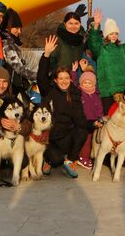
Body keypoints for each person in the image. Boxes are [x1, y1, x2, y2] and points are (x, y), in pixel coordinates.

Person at [38, 35, 88, 178]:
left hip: (66, 135)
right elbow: (41, 77)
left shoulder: (74, 93)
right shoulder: (49, 91)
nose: (64, 81)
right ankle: (48, 160)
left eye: (67, 78)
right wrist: (46, 55)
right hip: (50, 136)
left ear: (70, 79)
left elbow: (79, 117)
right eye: (61, 78)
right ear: (55, 80)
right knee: (55, 160)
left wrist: (90, 124)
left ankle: (70, 161)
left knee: (82, 131)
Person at [70, 60, 103, 170]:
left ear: (93, 84)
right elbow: (73, 83)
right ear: (81, 83)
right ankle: (83, 158)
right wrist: (74, 71)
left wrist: (100, 118)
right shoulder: (80, 92)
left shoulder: (96, 94)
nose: (87, 85)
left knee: (93, 140)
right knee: (86, 140)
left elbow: (99, 108)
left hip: (94, 121)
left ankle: (90, 156)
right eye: (85, 83)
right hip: (83, 121)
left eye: (89, 83)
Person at [1, 8, 38, 97]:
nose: (20, 31)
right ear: (8, 26)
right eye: (16, 28)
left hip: (14, 86)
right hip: (11, 88)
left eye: (20, 28)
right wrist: (38, 76)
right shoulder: (7, 44)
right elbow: (18, 68)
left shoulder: (12, 43)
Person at [50, 6, 88, 71]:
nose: (73, 26)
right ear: (65, 24)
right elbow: (51, 62)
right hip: (62, 78)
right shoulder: (58, 40)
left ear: (80, 24)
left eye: (76, 23)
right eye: (70, 23)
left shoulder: (82, 39)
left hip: (78, 78)